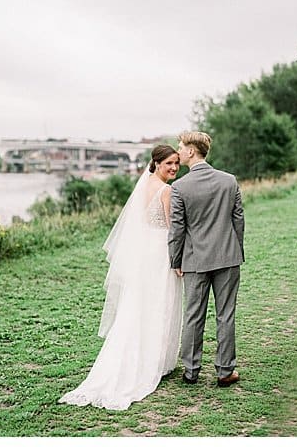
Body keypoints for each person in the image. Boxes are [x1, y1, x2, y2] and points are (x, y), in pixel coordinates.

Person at [59, 145, 183, 411]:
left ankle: (149, 357)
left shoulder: (144, 185)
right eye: (170, 163)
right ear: (157, 162)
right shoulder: (167, 190)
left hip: (144, 255)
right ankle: (153, 362)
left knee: (140, 306)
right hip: (160, 254)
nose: (174, 167)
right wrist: (178, 260)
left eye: (177, 163)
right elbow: (173, 230)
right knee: (159, 305)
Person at [169, 131, 245, 388]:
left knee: (193, 315)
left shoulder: (179, 187)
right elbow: (238, 221)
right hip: (228, 256)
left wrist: (175, 260)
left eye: (180, 147)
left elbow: (177, 229)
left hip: (194, 260)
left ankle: (191, 371)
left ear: (191, 151)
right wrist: (236, 250)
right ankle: (225, 371)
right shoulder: (229, 181)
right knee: (226, 315)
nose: (178, 152)